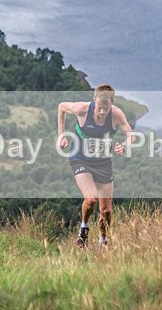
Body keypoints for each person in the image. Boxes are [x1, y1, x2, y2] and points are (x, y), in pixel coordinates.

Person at [57, 84, 134, 247]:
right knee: (91, 199)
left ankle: (103, 242)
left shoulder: (116, 114)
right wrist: (61, 135)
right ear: (94, 101)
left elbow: (131, 135)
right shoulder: (82, 109)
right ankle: (83, 230)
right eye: (99, 108)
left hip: (103, 164)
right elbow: (61, 107)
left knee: (106, 211)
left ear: (111, 104)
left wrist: (125, 145)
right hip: (80, 159)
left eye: (106, 109)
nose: (101, 112)